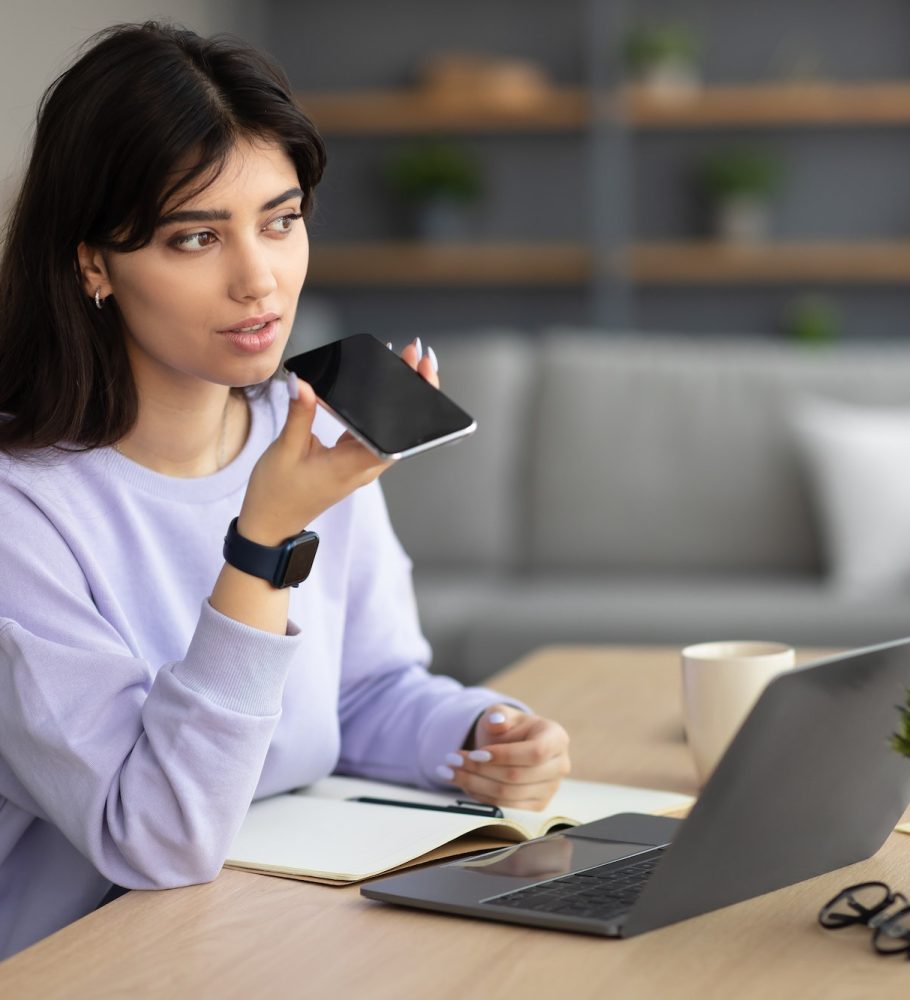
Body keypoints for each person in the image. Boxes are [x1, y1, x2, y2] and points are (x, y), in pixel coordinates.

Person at [0, 22, 570, 959]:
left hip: (268, 924)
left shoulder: (304, 433)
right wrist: (264, 540)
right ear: (92, 262)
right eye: (195, 237)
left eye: (281, 218)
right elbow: (152, 834)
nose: (258, 279)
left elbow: (365, 691)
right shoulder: (27, 511)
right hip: (89, 958)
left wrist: (480, 732)